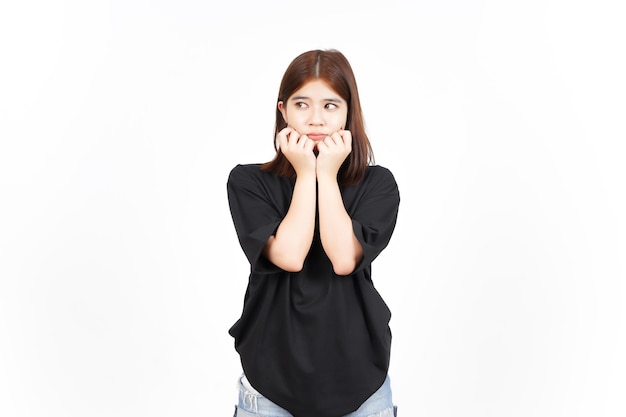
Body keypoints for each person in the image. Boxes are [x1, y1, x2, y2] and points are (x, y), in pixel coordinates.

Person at [226, 49, 400, 417]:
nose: (316, 119)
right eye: (302, 104)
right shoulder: (248, 181)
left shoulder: (377, 184)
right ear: (283, 111)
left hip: (360, 384)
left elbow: (342, 259)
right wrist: (306, 173)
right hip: (270, 384)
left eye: (331, 106)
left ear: (349, 113)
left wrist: (325, 174)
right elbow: (289, 256)